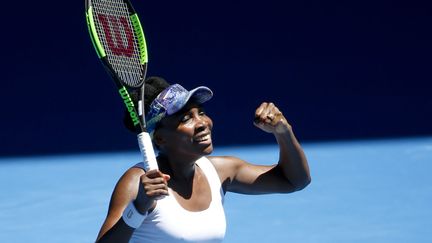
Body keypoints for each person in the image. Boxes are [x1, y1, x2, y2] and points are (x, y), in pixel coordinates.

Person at [96, 76, 311, 243]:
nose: (202, 123)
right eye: (186, 118)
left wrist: (283, 132)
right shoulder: (136, 182)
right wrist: (139, 207)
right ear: (160, 138)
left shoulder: (220, 171)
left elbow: (294, 180)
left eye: (201, 112)